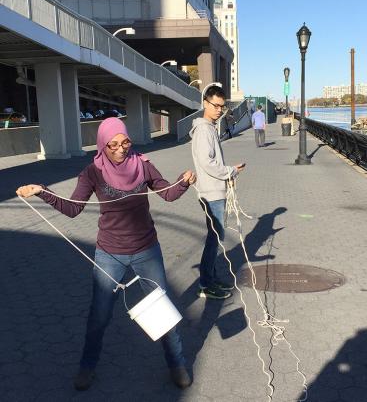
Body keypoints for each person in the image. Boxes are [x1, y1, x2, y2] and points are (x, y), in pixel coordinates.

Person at [16, 117, 196, 392]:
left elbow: (167, 194)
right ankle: (87, 366)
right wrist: (43, 191)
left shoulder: (143, 164)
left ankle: (177, 363)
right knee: (99, 316)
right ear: (103, 145)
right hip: (109, 254)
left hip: (147, 250)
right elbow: (73, 208)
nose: (121, 149)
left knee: (163, 310)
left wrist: (183, 182)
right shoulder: (92, 172)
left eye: (125, 142)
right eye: (113, 145)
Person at [189, 86, 245, 300]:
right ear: (205, 103)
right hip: (211, 192)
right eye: (216, 105)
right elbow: (207, 163)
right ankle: (205, 284)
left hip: (214, 190)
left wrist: (230, 171)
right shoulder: (204, 130)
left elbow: (210, 163)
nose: (220, 110)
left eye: (223, 106)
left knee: (215, 238)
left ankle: (210, 279)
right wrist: (230, 171)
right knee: (214, 239)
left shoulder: (209, 128)